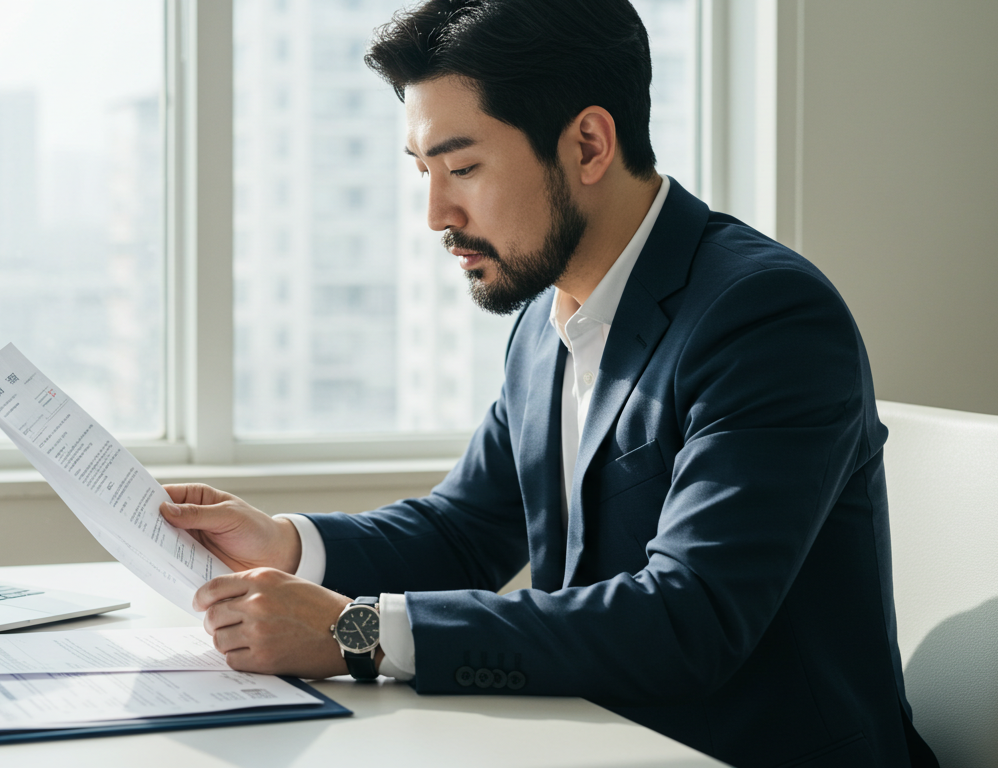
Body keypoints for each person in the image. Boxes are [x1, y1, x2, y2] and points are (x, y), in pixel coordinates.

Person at [158, 1, 939, 766]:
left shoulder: (766, 316)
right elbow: (465, 532)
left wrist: (355, 632)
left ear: (589, 145)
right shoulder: (547, 318)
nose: (436, 213)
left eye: (463, 168)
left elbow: (689, 619)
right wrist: (287, 546)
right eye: (424, 171)